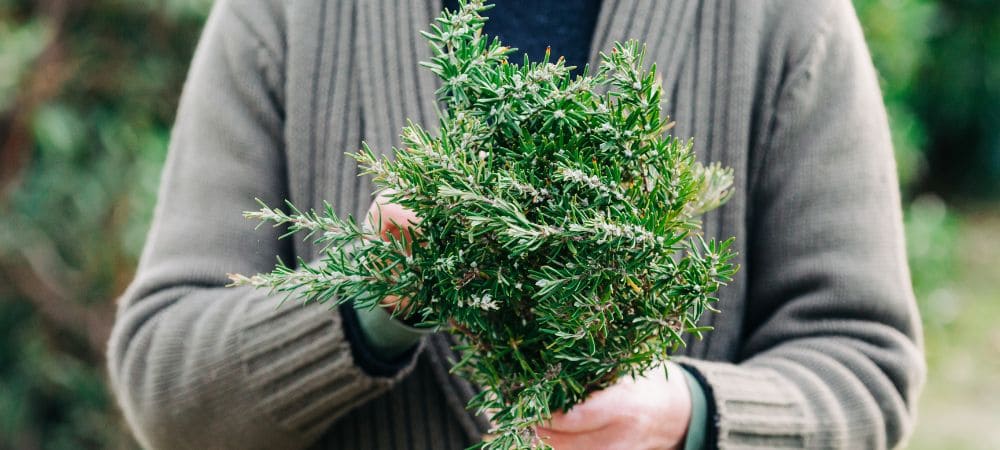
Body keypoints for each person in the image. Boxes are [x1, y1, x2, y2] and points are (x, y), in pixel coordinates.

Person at [106, 0, 926, 449]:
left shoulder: (785, 20)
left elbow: (865, 366)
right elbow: (164, 383)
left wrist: (691, 414)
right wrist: (367, 307)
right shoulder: (284, 17)